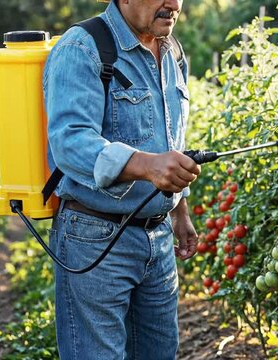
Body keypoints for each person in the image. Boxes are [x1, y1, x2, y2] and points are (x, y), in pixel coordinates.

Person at [43, 0, 199, 358]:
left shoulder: (172, 52)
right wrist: (146, 165)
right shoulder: (82, 47)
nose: (173, 4)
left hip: (157, 241)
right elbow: (71, 142)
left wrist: (180, 211)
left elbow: (172, 139)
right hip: (96, 238)